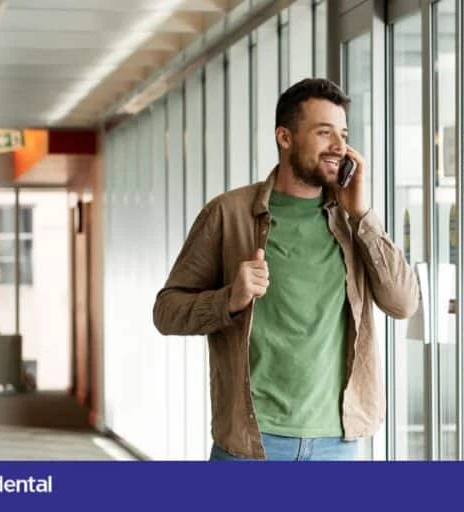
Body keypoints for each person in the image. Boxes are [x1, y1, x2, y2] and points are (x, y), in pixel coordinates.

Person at [152, 78, 419, 461]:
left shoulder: (352, 222)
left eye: (343, 134)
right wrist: (230, 299)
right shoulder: (228, 214)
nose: (339, 147)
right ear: (285, 137)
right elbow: (167, 312)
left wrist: (362, 213)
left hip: (337, 445)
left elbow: (403, 303)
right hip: (252, 444)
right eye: (324, 133)